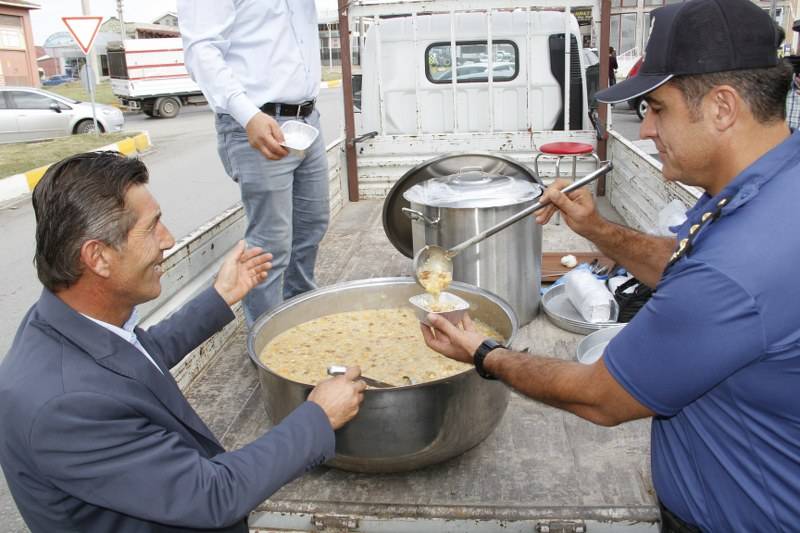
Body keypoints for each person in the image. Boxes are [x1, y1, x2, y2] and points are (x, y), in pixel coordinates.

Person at [422, 1, 799, 531]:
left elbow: (600, 397)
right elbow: (690, 266)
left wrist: (485, 353)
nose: (645, 130)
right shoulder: (779, 182)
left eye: (657, 108)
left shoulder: (736, 270)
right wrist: (597, 230)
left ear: (722, 107)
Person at [0, 152, 366, 533]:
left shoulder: (63, 320)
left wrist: (221, 296)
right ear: (98, 257)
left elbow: (136, 360)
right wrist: (318, 416)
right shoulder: (64, 408)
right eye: (152, 227)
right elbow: (212, 495)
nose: (169, 240)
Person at [177, 0, 330, 327]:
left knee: (310, 227)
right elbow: (201, 50)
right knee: (270, 245)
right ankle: (268, 342)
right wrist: (248, 115)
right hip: (256, 119)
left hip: (306, 119)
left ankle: (301, 322)